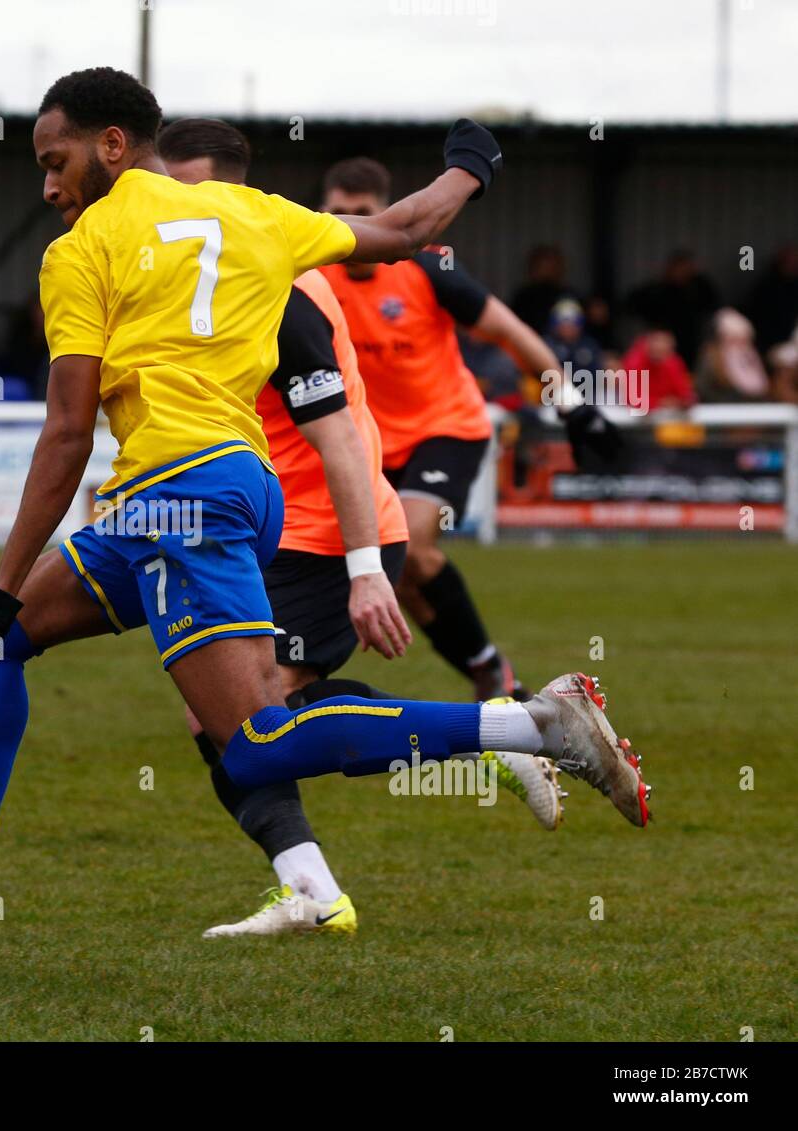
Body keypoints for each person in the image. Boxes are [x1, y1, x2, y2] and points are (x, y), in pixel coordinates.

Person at [0, 67, 648, 964]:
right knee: (4, 643)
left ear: (113, 146)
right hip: (223, 490)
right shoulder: (257, 215)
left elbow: (68, 430)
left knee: (257, 743)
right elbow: (411, 228)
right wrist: (473, 162)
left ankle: (529, 725)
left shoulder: (78, 252)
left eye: (55, 159)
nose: (46, 184)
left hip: (178, 493)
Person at [157, 117, 565, 938]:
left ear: (231, 191)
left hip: (325, 521)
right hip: (264, 525)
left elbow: (411, 232)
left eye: (185, 190)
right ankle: (312, 888)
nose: (167, 208)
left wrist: (363, 565)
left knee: (253, 721)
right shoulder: (209, 261)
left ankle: (506, 726)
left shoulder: (274, 273)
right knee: (222, 723)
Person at [316, 157, 621, 700]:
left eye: (361, 214)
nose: (349, 228)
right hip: (368, 444)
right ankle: (490, 670)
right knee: (397, 568)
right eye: (336, 214)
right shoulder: (309, 277)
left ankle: (488, 672)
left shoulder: (426, 269)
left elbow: (510, 330)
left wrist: (572, 406)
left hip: (445, 428)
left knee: (408, 549)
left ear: (385, 214)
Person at [625, 250, 720, 368]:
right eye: (678, 267)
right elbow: (632, 304)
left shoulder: (700, 287)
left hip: (692, 339)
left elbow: (715, 307)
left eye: (686, 267)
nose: (681, 272)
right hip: (663, 338)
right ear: (670, 268)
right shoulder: (657, 289)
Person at [695, 308, 770, 403]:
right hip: (721, 408)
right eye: (735, 339)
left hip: (751, 409)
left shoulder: (751, 356)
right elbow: (704, 387)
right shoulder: (712, 356)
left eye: (745, 340)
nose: (741, 345)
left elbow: (762, 388)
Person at [622, 328, 696, 411]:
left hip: (668, 418)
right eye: (657, 343)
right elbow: (633, 400)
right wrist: (662, 402)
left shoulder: (673, 363)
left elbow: (686, 395)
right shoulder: (634, 363)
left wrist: (684, 401)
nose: (659, 348)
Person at [510, 244, 575, 335]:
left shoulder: (568, 295)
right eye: (542, 267)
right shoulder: (523, 298)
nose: (547, 271)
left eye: (551, 267)